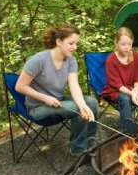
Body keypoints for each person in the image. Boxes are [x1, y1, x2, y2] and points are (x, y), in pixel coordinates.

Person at [15, 23, 98, 156]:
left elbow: (74, 86)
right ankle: (78, 149)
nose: (75, 47)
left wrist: (83, 105)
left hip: (59, 100)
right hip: (38, 106)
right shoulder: (38, 60)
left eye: (76, 44)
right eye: (71, 43)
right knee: (76, 108)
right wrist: (45, 98)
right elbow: (20, 86)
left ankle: (91, 142)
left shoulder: (71, 60)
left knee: (91, 102)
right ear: (59, 41)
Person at [102, 27, 138, 136]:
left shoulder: (136, 56)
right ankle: (128, 136)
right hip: (116, 90)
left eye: (129, 44)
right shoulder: (111, 60)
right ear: (116, 42)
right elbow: (116, 84)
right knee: (125, 98)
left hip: (133, 88)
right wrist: (131, 94)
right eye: (123, 44)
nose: (126, 47)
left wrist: (135, 91)